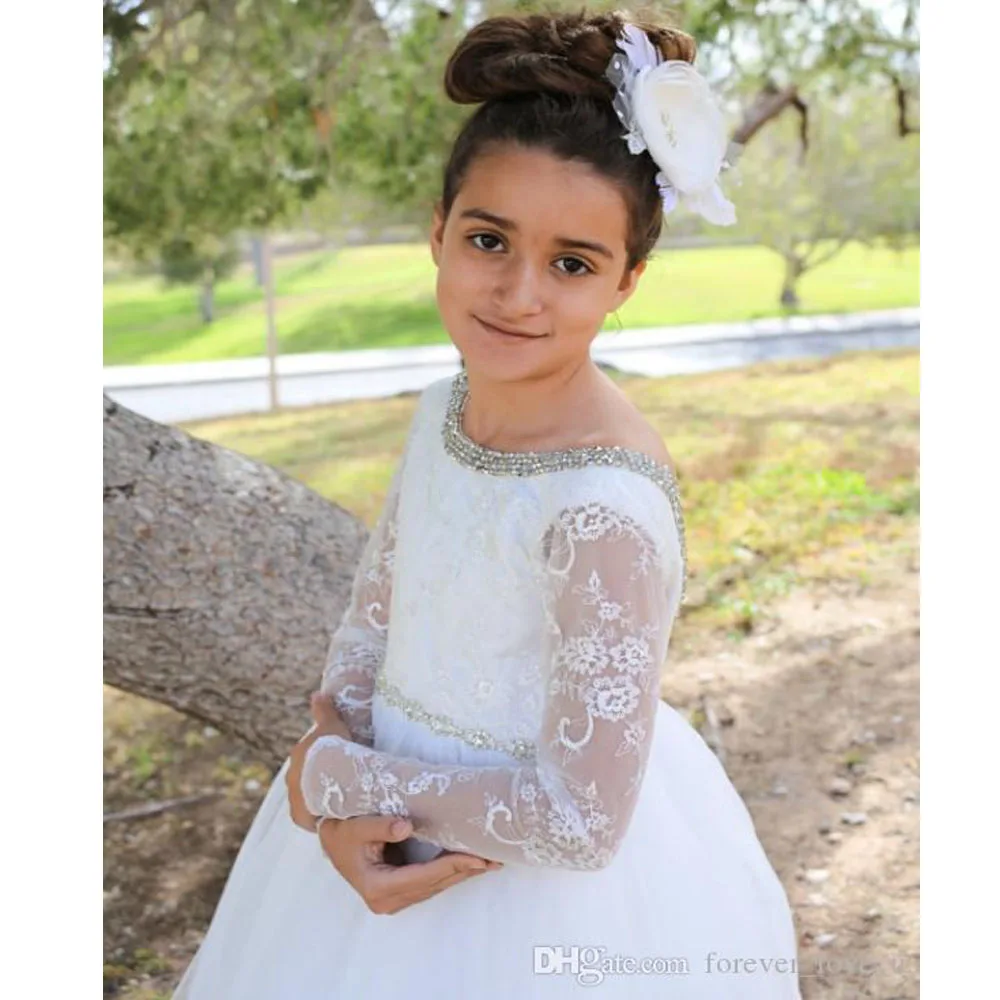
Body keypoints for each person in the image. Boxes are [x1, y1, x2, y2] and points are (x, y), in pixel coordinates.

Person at [172, 9, 802, 998]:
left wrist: (342, 783)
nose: (517, 293)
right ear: (437, 233)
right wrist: (327, 774)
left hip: (536, 893)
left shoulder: (604, 512)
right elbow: (374, 613)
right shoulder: (442, 408)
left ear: (626, 281)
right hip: (372, 811)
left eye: (571, 263)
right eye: (487, 238)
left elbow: (580, 822)